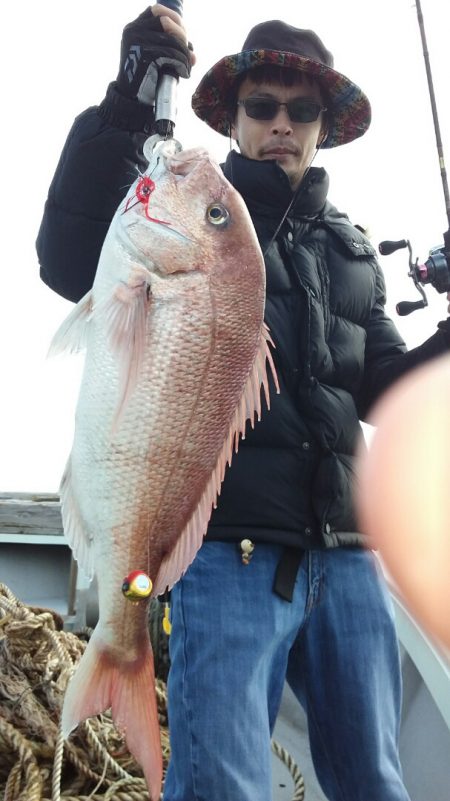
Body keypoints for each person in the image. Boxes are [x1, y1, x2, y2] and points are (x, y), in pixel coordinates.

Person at [36, 5, 450, 800]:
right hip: (226, 557)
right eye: (262, 106)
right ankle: (125, 642)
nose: (282, 124)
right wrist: (128, 100)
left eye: (302, 110)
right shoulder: (194, 213)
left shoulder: (352, 248)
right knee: (222, 784)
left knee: (374, 779)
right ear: (234, 117)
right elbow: (66, 253)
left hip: (349, 554)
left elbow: (388, 391)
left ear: (325, 126)